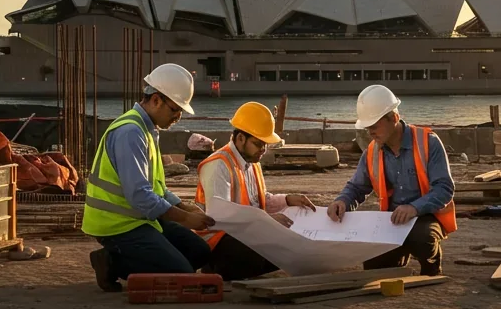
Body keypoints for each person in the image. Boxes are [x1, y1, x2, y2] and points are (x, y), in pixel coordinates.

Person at [82, 63, 214, 292]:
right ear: (155, 100)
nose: (178, 116)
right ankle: (111, 262)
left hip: (141, 218)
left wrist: (185, 208)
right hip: (117, 225)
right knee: (181, 274)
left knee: (199, 253)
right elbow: (140, 196)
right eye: (175, 109)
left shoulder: (147, 130)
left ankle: (142, 260)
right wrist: (184, 218)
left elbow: (156, 187)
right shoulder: (130, 133)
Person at [327, 85, 456, 276]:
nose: (370, 132)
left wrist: (414, 208)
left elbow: (444, 188)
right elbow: (357, 187)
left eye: (374, 126)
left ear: (394, 118)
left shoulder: (429, 142)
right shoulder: (372, 151)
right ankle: (398, 257)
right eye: (367, 127)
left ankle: (431, 266)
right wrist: (342, 201)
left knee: (421, 238)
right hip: (391, 219)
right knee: (373, 263)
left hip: (426, 215)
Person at [195, 101, 316, 281]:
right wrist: (265, 221)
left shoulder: (251, 162)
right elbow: (219, 217)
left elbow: (260, 200)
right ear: (240, 138)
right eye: (258, 144)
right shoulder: (218, 165)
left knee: (293, 247)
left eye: (265, 145)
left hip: (245, 233)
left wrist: (288, 200)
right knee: (266, 255)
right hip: (218, 243)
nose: (263, 150)